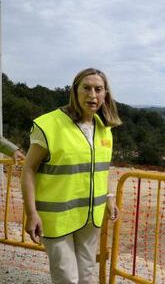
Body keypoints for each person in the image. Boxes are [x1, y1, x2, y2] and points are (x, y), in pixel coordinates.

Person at [21, 68, 122, 284]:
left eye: (98, 89)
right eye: (86, 88)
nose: (92, 95)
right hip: (56, 218)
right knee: (67, 278)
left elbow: (103, 167)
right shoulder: (48, 125)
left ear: (105, 94)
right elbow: (28, 169)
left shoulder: (105, 128)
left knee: (86, 275)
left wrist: (109, 197)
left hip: (90, 217)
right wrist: (31, 213)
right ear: (75, 91)